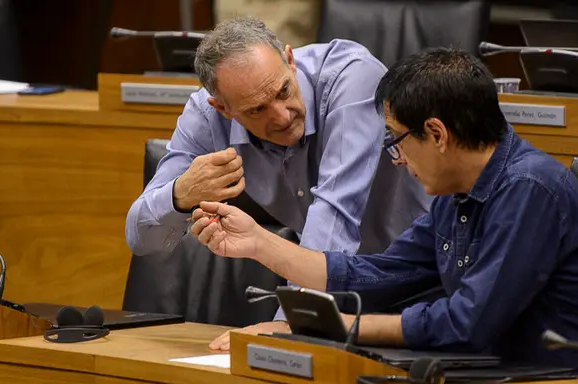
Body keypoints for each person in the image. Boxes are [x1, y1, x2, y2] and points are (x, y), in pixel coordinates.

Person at [190, 47, 578, 384]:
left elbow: (465, 324)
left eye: (396, 141)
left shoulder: (530, 188)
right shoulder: (455, 194)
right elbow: (379, 274)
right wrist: (259, 243)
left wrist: (332, 328)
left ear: (437, 134)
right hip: (501, 383)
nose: (398, 159)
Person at [124, 17, 431, 323]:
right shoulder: (205, 116)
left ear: (290, 60)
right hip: (336, 294)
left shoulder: (352, 78)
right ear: (223, 109)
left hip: (422, 282)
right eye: (257, 109)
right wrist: (180, 195)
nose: (283, 117)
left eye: (283, 91)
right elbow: (140, 237)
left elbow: (334, 221)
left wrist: (285, 327)